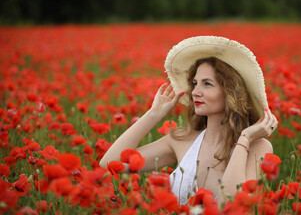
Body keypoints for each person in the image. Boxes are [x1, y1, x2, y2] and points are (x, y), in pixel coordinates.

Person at [100, 36, 278, 205]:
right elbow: (110, 164)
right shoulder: (181, 140)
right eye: (195, 83)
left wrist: (245, 139)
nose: (195, 92)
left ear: (231, 92)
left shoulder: (257, 147)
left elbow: (231, 206)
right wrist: (154, 114)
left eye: (207, 84)